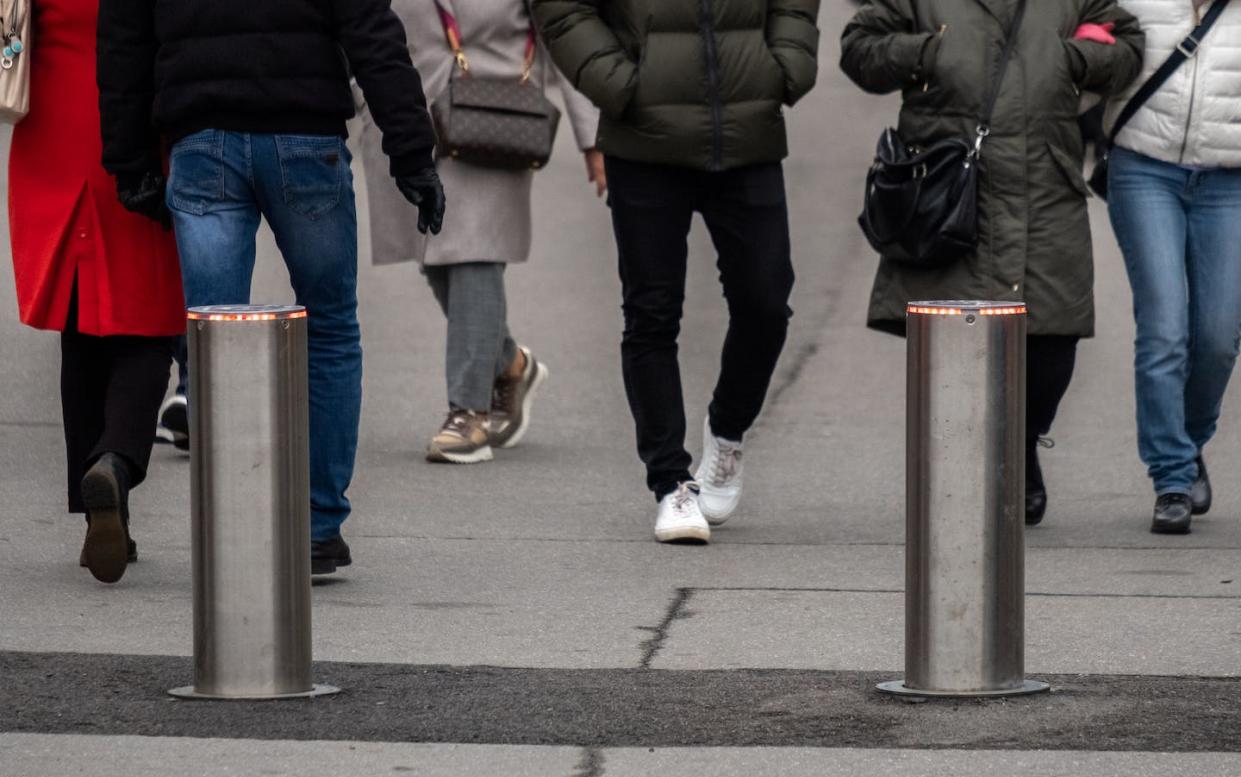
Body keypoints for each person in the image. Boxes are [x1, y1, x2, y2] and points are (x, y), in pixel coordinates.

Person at [98, 0, 445, 576]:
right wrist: (411, 151)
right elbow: (371, 30)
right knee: (330, 330)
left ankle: (233, 528)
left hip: (202, 140)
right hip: (305, 138)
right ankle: (317, 528)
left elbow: (123, 39)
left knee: (215, 343)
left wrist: (131, 160)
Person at [841, 0, 1143, 526]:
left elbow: (1127, 45)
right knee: (955, 334)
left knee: (1053, 336)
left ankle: (1020, 447)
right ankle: (972, 467)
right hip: (952, 182)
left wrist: (1075, 59)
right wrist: (931, 51)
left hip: (1045, 179)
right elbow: (859, 49)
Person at [534, 0, 821, 544]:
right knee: (651, 315)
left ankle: (727, 430)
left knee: (765, 302)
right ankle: (671, 483)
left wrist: (785, 64)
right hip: (644, 136)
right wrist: (621, 83)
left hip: (747, 126)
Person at [359, 0, 602, 465]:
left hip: (491, 113)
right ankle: (509, 363)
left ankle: (468, 413)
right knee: (435, 259)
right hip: (404, 116)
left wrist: (592, 137)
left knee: (473, 255)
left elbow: (568, 34)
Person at [9, 0, 184, 584]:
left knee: (79, 318)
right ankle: (114, 460)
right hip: (128, 120)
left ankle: (100, 516)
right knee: (152, 317)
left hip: (52, 124)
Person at [1105, 0, 1241, 534]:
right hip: (1144, 170)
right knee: (1163, 329)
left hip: (1230, 181)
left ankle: (1187, 441)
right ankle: (1172, 479)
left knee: (1218, 335)